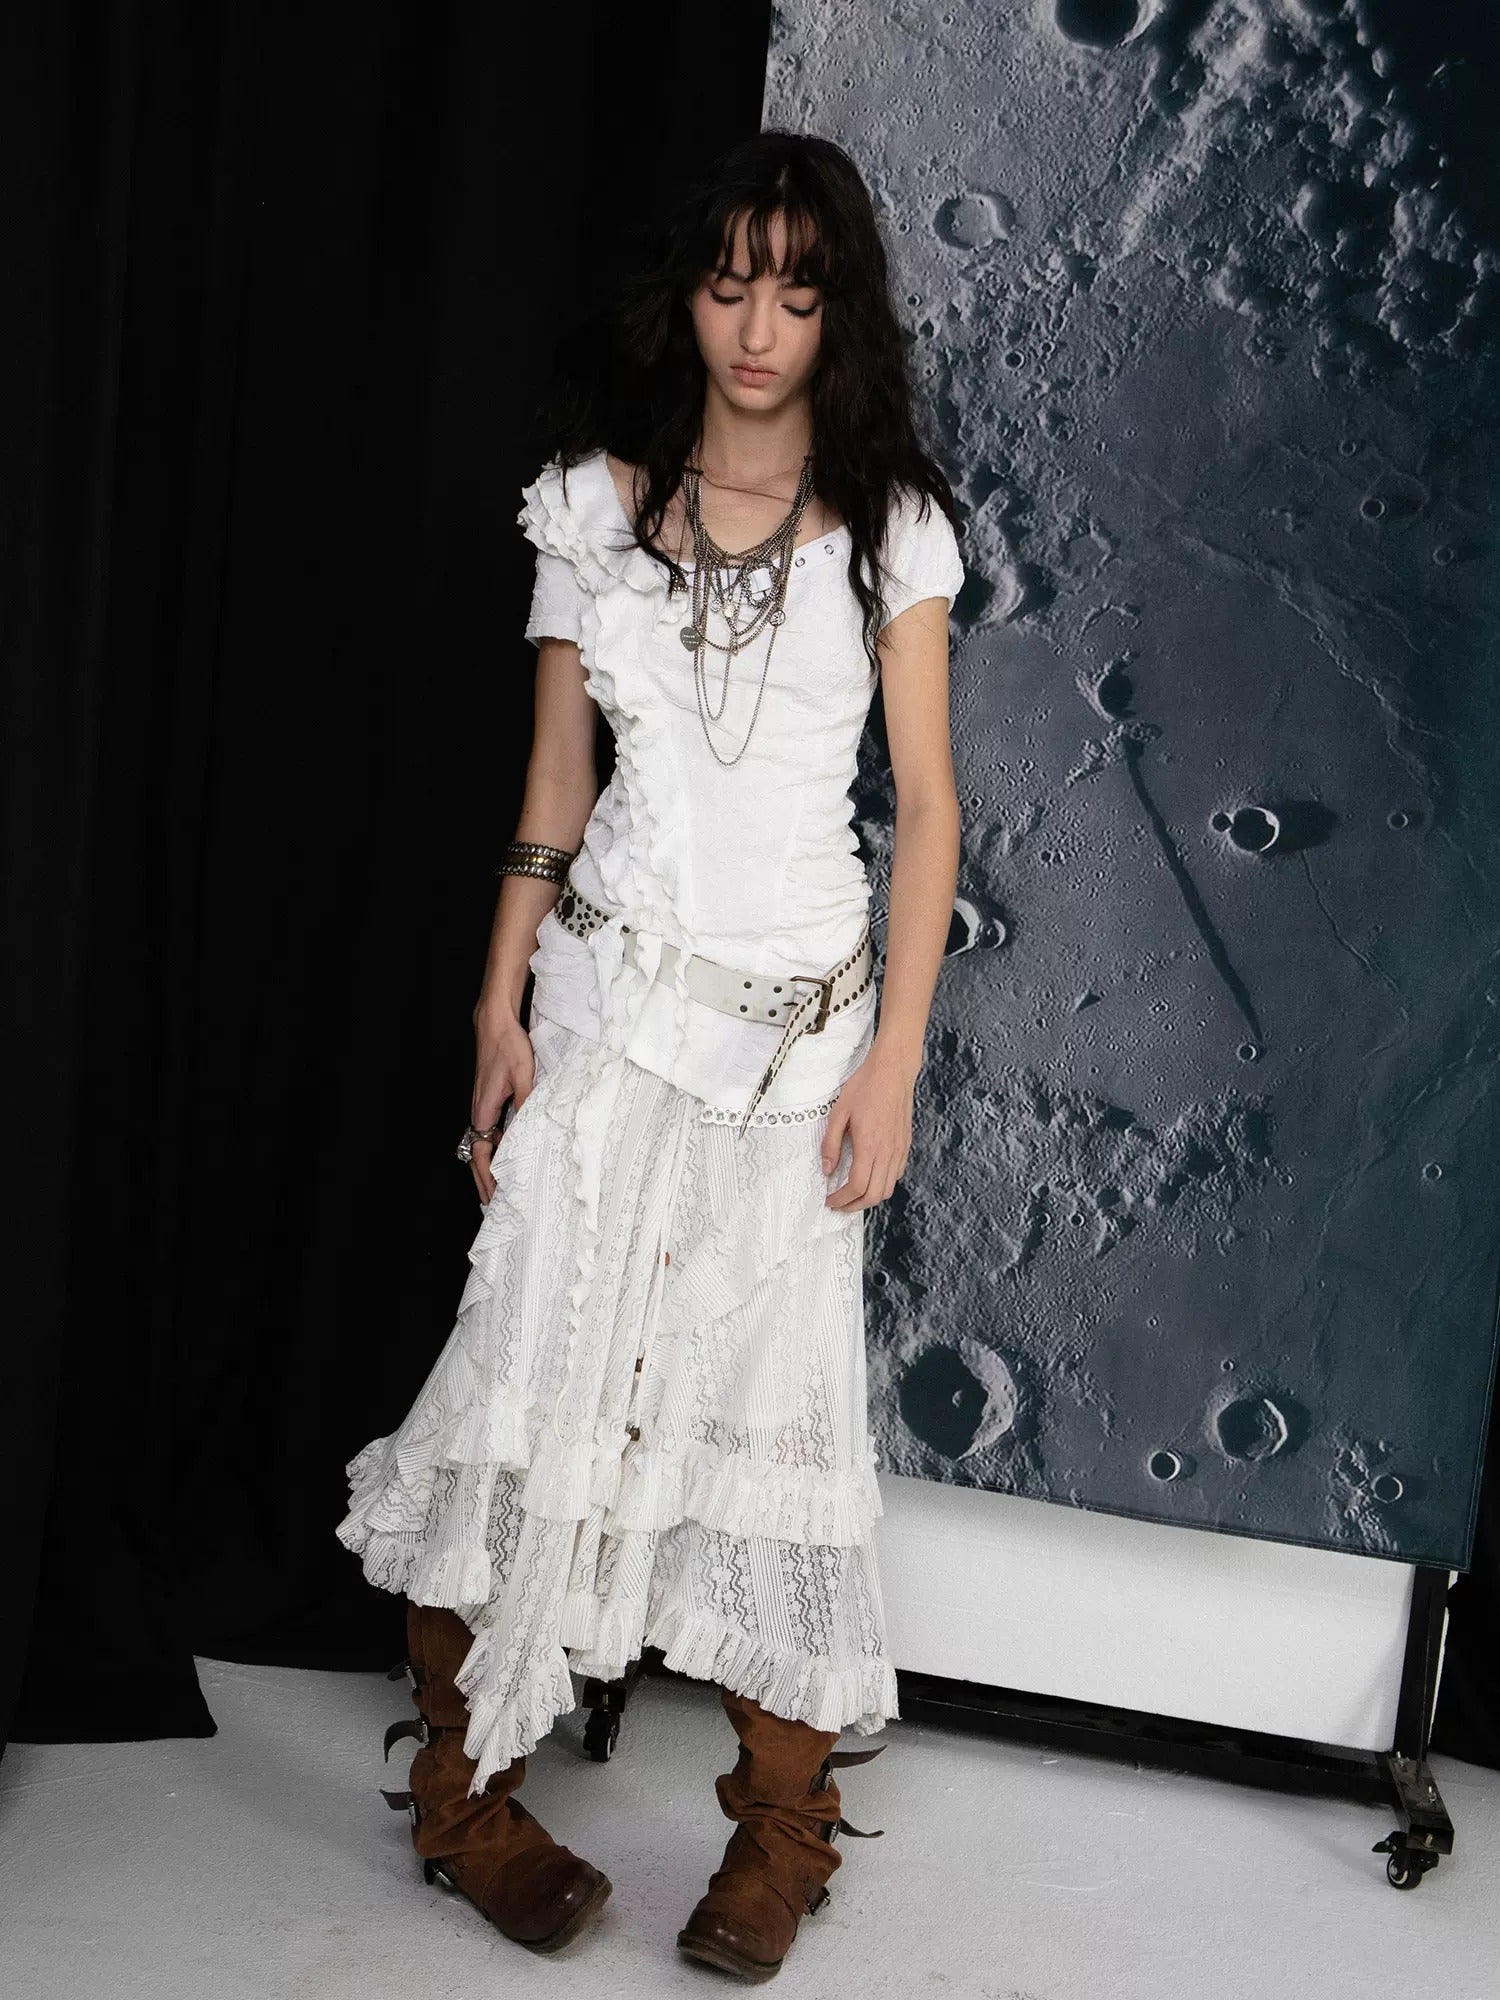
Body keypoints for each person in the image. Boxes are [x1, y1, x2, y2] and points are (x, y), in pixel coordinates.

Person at [335, 127, 965, 1979]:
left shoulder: (897, 531)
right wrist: (495, 1008)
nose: (757, 328)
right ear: (684, 298)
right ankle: (465, 1804)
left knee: (775, 1427)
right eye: (727, 283)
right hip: (603, 1022)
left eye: (797, 291)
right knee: (517, 1393)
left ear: (839, 312)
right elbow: (555, 788)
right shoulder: (590, 511)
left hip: (792, 1057)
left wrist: (897, 1063)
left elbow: (930, 812)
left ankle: (784, 1836)